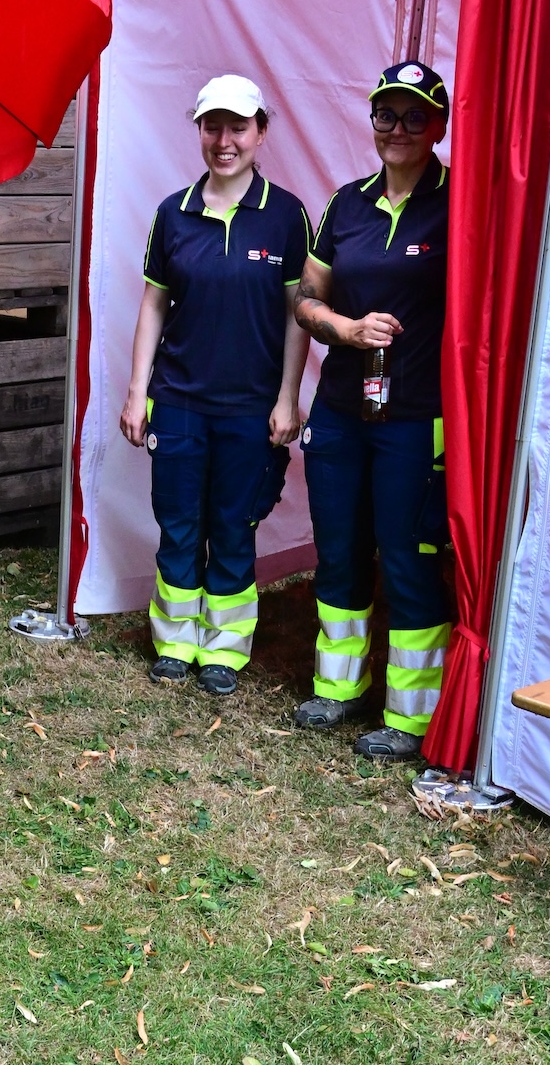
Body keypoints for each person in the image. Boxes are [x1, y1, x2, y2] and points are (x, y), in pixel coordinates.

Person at [119, 74, 311, 696]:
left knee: (233, 526)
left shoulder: (286, 215)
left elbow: (298, 314)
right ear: (199, 131)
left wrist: (288, 397)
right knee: (178, 524)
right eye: (212, 127)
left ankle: (225, 648)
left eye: (238, 128)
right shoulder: (172, 214)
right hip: (178, 401)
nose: (224, 141)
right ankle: (175, 642)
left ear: (261, 133)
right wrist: (136, 391)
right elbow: (153, 305)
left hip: (251, 407)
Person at [293, 60, 452, 760]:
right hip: (339, 411)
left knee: (409, 556)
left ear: (438, 126)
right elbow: (305, 299)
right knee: (339, 547)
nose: (398, 128)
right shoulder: (346, 204)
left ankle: (411, 716)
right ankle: (339, 687)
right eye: (387, 114)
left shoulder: (458, 204)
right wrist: (346, 329)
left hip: (416, 417)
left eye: (416, 116)